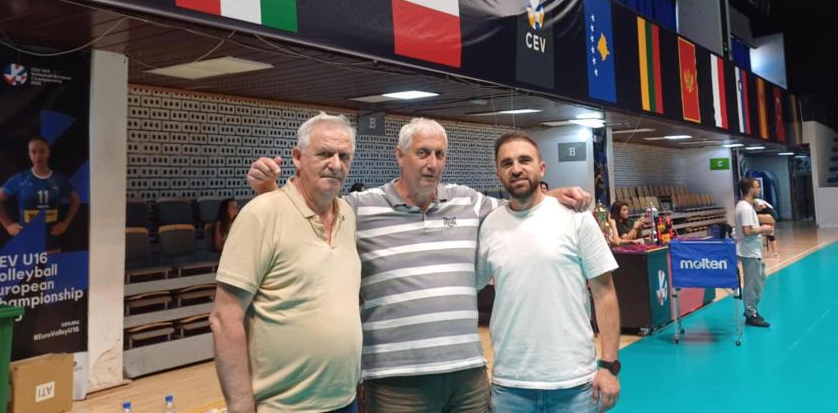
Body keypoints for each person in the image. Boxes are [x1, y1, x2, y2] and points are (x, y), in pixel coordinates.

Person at [246, 117, 591, 413]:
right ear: (400, 155)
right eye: (423, 153)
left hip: (467, 375)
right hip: (396, 381)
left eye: (440, 154)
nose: (432, 163)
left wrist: (554, 195)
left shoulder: (468, 203)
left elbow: (519, 204)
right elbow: (309, 213)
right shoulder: (359, 209)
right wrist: (269, 189)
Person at [210, 113, 361, 413]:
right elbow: (225, 318)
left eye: (344, 156)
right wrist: (240, 405)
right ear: (297, 157)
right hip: (283, 406)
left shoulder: (347, 214)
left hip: (344, 401)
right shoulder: (261, 213)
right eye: (324, 154)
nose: (335, 164)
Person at [477, 133, 620, 413]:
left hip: (575, 384)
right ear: (498, 174)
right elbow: (469, 286)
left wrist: (609, 366)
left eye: (524, 160)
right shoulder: (490, 225)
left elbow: (605, 293)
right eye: (507, 163)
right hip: (510, 386)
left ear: (541, 168)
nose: (516, 168)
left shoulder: (577, 218)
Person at [0, 136, 81, 254]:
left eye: (42, 151)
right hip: (27, 241)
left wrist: (65, 224)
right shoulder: (20, 179)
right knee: (28, 265)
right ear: (29, 154)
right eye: (33, 152)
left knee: (53, 266)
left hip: (52, 241)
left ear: (48, 153)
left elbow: (76, 200)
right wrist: (8, 226)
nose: (38, 156)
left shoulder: (60, 180)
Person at [735, 177, 775, 328]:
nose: (759, 189)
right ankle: (750, 314)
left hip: (753, 251)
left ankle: (753, 310)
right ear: (751, 189)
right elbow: (747, 231)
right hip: (749, 252)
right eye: (757, 186)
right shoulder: (745, 208)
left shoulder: (746, 206)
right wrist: (763, 229)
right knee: (752, 284)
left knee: (759, 280)